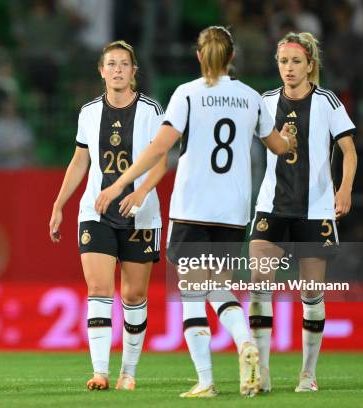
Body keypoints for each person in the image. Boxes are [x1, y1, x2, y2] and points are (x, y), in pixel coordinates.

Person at [95, 26, 296, 398]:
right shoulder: (251, 97)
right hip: (234, 210)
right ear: (232, 57)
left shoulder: (187, 94)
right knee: (218, 286)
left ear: (200, 57)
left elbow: (161, 148)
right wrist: (290, 140)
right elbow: (279, 146)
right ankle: (244, 341)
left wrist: (121, 182)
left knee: (192, 293)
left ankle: (206, 380)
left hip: (193, 207)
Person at [49, 40, 166, 391]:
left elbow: (161, 160)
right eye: (111, 63)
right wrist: (58, 204)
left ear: (134, 72)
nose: (117, 69)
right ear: (101, 71)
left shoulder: (150, 111)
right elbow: (80, 160)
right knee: (99, 288)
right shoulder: (89, 112)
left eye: (124, 64)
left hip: (140, 213)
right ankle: (100, 370)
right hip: (96, 211)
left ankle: (128, 372)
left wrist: (142, 192)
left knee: (132, 296)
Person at [248, 32, 358, 393]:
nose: (289, 68)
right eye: (283, 62)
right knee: (260, 286)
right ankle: (261, 371)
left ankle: (308, 374)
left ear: (310, 65)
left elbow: (349, 149)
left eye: (296, 61)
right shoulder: (263, 102)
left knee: (311, 294)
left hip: (315, 209)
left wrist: (344, 189)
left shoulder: (326, 101)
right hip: (271, 206)